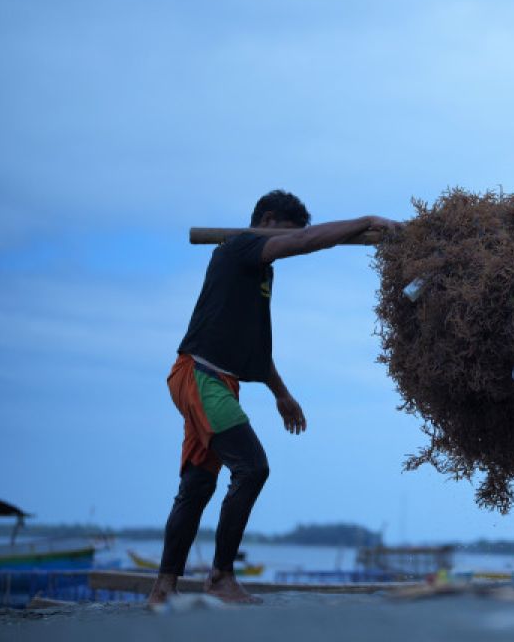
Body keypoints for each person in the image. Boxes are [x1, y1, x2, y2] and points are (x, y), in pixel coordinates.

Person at [146, 190, 400, 605]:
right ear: (267, 221)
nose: (289, 243)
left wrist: (283, 394)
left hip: (216, 379)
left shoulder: (259, 272)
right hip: (200, 375)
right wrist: (366, 219)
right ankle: (220, 577)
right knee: (252, 468)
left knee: (196, 485)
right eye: (287, 233)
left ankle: (162, 589)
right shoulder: (241, 247)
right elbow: (303, 242)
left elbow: (255, 349)